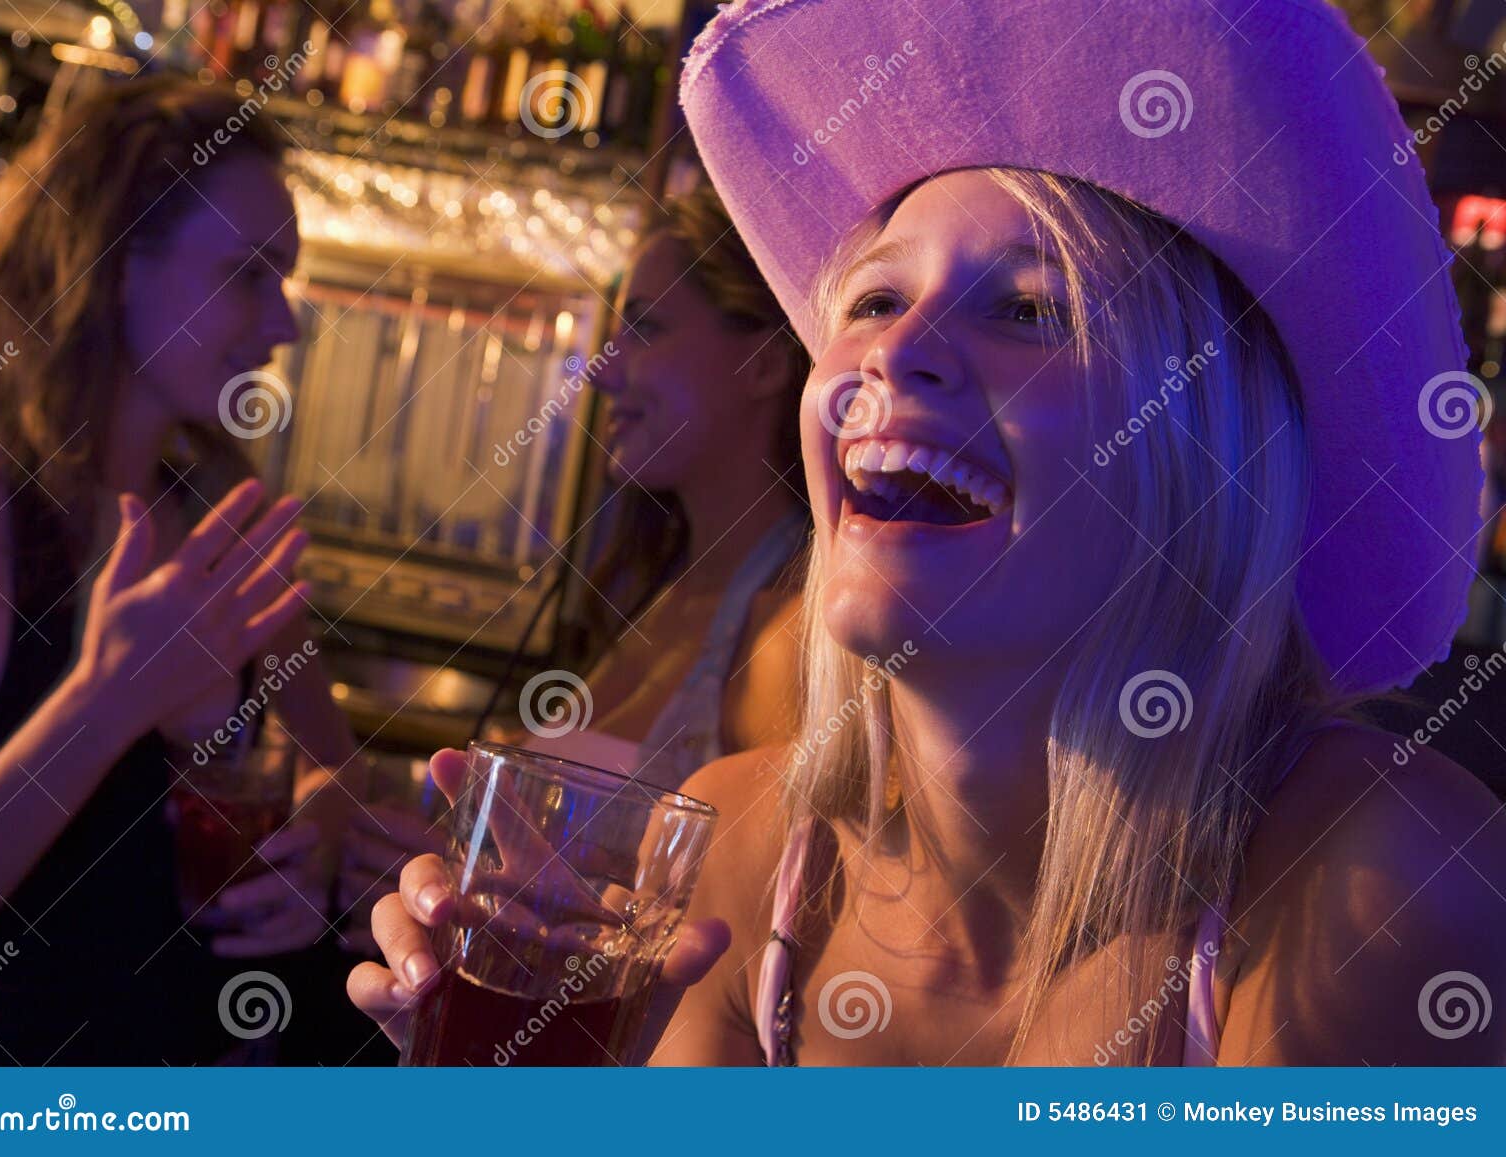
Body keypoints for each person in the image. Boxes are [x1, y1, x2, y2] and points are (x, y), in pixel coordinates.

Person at [350, 0, 1506, 1065]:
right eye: (872, 300)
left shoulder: (1377, 879)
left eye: (1025, 309)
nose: (891, 353)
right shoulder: (745, 861)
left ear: (1194, 447)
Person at [0, 76, 353, 1064]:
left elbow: (337, 769)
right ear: (106, 262)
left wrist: (318, 834)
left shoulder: (213, 513)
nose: (281, 328)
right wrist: (104, 703)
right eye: (247, 273)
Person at [333, 185, 812, 952]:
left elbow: (761, 948)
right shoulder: (658, 584)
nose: (603, 370)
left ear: (765, 363)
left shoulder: (791, 627)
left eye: (646, 329)